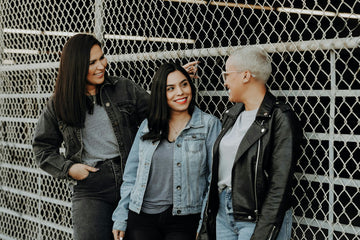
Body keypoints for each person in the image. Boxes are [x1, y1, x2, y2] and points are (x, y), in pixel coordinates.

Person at [32, 34, 198, 240]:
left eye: (102, 58)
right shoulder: (58, 103)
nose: (102, 65)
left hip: (134, 182)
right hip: (92, 187)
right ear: (76, 66)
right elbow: (42, 148)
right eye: (92, 62)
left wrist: (174, 81)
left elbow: (157, 113)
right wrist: (70, 169)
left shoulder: (123, 88)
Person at [198, 47, 302, 240]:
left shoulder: (280, 118)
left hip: (256, 217)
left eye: (227, 74)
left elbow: (280, 185)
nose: (225, 82)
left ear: (245, 76)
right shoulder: (231, 115)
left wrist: (264, 232)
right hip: (223, 211)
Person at [112, 62, 222, 240]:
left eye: (184, 84)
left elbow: (213, 179)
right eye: (170, 88)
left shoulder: (209, 125)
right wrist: (121, 216)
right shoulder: (148, 126)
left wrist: (204, 222)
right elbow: (132, 175)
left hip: (185, 217)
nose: (180, 92)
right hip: (141, 216)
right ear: (161, 94)